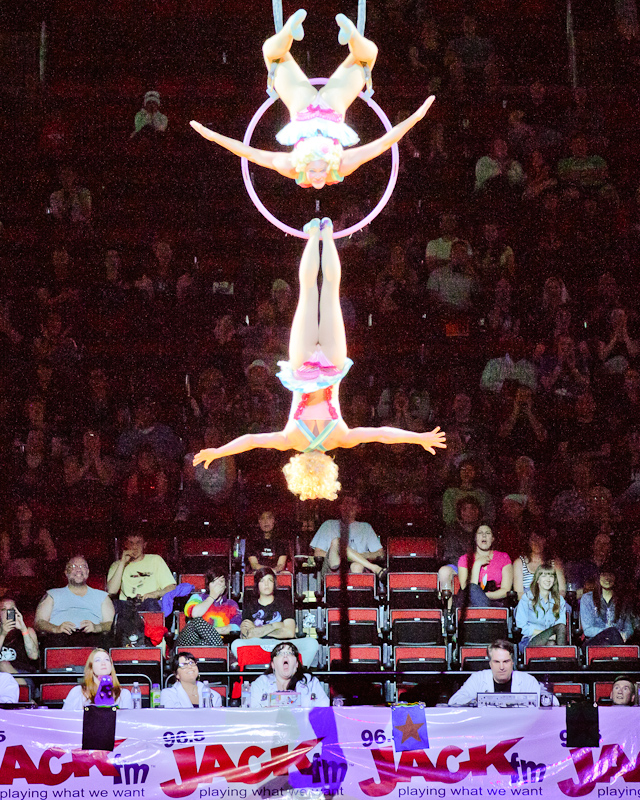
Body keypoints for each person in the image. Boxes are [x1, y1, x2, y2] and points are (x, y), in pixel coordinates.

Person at [194, 219, 445, 500]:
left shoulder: (338, 437)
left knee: (329, 292)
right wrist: (219, 451)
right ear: (297, 466)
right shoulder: (292, 438)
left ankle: (325, 234)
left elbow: (381, 434)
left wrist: (418, 438)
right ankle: (316, 234)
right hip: (305, 366)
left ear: (328, 467)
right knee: (309, 292)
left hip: (329, 364)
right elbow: (251, 441)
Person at [190, 10, 434, 190]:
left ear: (303, 166)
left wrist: (212, 136)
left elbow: (251, 153)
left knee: (272, 56)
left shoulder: (290, 166)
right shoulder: (342, 164)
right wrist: (417, 116)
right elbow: (383, 143)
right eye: (320, 170)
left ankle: (289, 31)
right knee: (366, 60)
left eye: (315, 170)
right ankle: (351, 35)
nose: (318, 175)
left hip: (303, 106)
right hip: (331, 106)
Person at [232, 567, 319, 667]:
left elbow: (290, 632)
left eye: (270, 580)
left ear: (274, 584)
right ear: (257, 585)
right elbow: (247, 635)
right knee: (236, 644)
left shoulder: (285, 603)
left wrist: (258, 630)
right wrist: (276, 625)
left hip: (282, 645)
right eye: (262, 581)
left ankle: (296, 671)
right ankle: (260, 666)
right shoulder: (250, 606)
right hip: (259, 644)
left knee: (312, 643)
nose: (266, 584)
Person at [35, 556, 114, 648]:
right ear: (66, 572)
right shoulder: (52, 594)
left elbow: (111, 624)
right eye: (73, 566)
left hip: (93, 639)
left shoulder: (102, 596)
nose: (78, 570)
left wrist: (97, 627)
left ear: (88, 572)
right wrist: (56, 628)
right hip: (59, 639)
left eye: (82, 566)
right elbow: (39, 622)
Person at [448, 639, 557, 706]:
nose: (501, 667)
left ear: (512, 662)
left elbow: (554, 702)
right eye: (496, 662)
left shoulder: (527, 680)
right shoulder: (478, 678)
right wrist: (477, 701)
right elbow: (454, 701)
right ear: (490, 663)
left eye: (506, 661)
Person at [310, 495, 385, 578]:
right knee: (337, 541)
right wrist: (343, 557)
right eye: (346, 503)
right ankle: (375, 568)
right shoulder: (328, 525)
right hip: (333, 565)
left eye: (353, 504)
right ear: (340, 507)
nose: (349, 507)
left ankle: (356, 586)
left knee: (357, 566)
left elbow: (380, 553)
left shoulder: (365, 527)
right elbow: (318, 553)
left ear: (358, 508)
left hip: (358, 566)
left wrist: (361, 556)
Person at [107, 532, 176, 613]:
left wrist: (156, 594)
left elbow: (172, 587)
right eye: (131, 543)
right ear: (126, 545)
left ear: (144, 545)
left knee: (150, 603)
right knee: (112, 605)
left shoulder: (155, 560)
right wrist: (123, 562)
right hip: (127, 604)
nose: (134, 547)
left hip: (149, 602)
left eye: (138, 542)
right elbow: (111, 591)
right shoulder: (117, 565)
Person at [250, 642, 329, 708]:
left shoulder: (310, 682)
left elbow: (324, 707)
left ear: (297, 664)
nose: (285, 656)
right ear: (273, 664)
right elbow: (254, 712)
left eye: (290, 653)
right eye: (280, 653)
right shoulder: (261, 683)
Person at [177, 573, 241, 648]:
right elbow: (195, 614)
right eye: (214, 581)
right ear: (208, 585)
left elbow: (235, 628)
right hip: (190, 641)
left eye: (221, 582)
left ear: (225, 586)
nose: (217, 585)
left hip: (214, 643)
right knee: (197, 621)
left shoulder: (231, 604)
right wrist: (212, 597)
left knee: (204, 643)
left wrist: (205, 631)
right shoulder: (197, 597)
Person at [515, 564, 567, 653]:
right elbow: (521, 627)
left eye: (551, 576)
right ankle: (563, 657)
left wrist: (552, 636)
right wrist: (545, 634)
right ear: (538, 580)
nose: (548, 579)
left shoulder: (559, 600)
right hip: (530, 640)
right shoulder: (527, 598)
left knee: (552, 641)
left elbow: (560, 626)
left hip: (553, 640)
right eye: (544, 576)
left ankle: (561, 658)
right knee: (552, 641)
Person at [457, 525, 513, 607]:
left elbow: (506, 590)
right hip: (471, 605)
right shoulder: (465, 559)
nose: (484, 535)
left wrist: (482, 596)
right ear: (475, 538)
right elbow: (467, 590)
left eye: (488, 533)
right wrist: (477, 565)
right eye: (480, 533)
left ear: (493, 538)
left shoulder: (503, 557)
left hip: (496, 602)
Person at [63, 649, 133, 710]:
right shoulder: (77, 692)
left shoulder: (124, 694)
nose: (103, 663)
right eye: (98, 660)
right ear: (91, 667)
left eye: (107, 659)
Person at [580, 566, 634, 646]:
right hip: (594, 643)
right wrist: (612, 634)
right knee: (611, 633)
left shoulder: (624, 601)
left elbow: (629, 628)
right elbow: (588, 630)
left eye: (610, 575)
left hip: (617, 643)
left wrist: (625, 635)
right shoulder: (587, 598)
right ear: (598, 577)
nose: (607, 578)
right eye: (604, 574)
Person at [0, 598, 39, 682]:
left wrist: (23, 629)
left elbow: (34, 656)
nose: (8, 613)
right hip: (1, 678)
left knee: (3, 664)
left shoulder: (28, 631)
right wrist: (3, 634)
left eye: (11, 609)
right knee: (2, 664)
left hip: (23, 674)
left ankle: (23, 688)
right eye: (3, 609)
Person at [246, 510, 291, 574]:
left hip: (275, 574)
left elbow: (281, 565)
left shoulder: (281, 541)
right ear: (259, 521)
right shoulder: (252, 541)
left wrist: (272, 571)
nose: (266, 521)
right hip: (259, 574)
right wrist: (268, 571)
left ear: (273, 521)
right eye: (262, 518)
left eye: (269, 518)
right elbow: (254, 565)